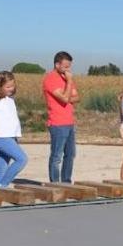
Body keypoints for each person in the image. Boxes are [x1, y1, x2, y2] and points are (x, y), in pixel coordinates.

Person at [0, 71, 26, 187]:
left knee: (2, 164)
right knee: (21, 159)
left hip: (9, 136)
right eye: (8, 86)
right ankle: (3, 185)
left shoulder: (9, 98)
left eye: (13, 86)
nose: (11, 89)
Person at [43, 51, 80, 183]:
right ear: (57, 64)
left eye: (69, 66)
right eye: (65, 67)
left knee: (70, 154)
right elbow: (65, 99)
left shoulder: (65, 78)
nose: (68, 70)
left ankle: (66, 181)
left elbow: (77, 98)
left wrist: (67, 91)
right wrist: (69, 82)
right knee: (57, 156)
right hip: (57, 123)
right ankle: (55, 183)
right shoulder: (51, 79)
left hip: (69, 122)